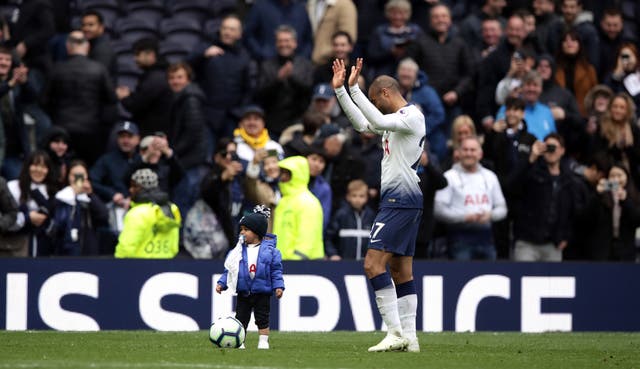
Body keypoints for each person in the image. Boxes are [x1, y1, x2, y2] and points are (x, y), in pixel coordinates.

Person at [332, 58, 424, 352]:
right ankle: (410, 339)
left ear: (385, 93)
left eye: (375, 100)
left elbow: (379, 120)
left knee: (372, 264)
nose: (375, 106)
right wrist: (342, 92)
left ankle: (394, 332)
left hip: (400, 200)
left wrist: (356, 90)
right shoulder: (395, 122)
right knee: (400, 271)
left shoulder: (412, 115)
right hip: (402, 201)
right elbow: (364, 124)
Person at [216, 206, 284, 350]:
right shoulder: (238, 250)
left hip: (262, 291)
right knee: (241, 318)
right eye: (241, 229)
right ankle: (241, 341)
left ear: (257, 232)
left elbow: (276, 271)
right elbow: (230, 270)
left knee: (262, 318)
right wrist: (222, 283)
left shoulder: (271, 251)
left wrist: (278, 286)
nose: (242, 232)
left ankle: (263, 341)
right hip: (244, 291)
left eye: (246, 230)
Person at [434, 136, 507, 260]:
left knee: (489, 277)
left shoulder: (490, 176)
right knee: (461, 277)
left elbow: (502, 208)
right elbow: (438, 210)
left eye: (473, 150)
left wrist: (490, 215)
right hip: (459, 237)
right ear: (458, 153)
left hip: (487, 238)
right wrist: (464, 217)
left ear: (480, 154)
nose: (469, 153)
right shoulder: (449, 177)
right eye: (465, 150)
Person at [114, 168, 181, 258]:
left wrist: (118, 266)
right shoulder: (172, 209)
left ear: (143, 188)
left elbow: (126, 249)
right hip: (166, 266)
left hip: (139, 268)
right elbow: (174, 247)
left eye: (134, 186)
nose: (130, 190)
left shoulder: (137, 213)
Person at [50, 160, 108, 256]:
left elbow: (104, 216)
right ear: (68, 177)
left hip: (88, 250)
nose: (78, 179)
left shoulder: (90, 197)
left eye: (81, 175)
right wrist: (71, 196)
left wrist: (91, 195)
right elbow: (56, 222)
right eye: (74, 175)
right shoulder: (61, 196)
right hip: (63, 250)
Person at [117, 37, 173, 137]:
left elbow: (137, 104)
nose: (135, 59)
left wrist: (124, 97)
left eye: (138, 55)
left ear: (151, 54)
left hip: (153, 134)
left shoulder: (155, 78)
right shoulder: (157, 74)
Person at [272, 155, 324, 260]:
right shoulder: (283, 201)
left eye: (287, 173)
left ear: (298, 174)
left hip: (305, 266)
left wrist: (296, 261)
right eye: (282, 173)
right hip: (283, 264)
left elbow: (307, 238)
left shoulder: (308, 202)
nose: (283, 177)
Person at [7, 150, 58, 257]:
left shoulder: (53, 192)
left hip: (44, 250)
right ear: (27, 166)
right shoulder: (13, 187)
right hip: (14, 248)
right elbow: (5, 217)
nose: (39, 170)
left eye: (44, 166)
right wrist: (27, 218)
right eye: (35, 165)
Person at [325, 179, 376, 261]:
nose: (357, 199)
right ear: (348, 197)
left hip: (366, 263)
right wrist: (333, 254)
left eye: (361, 196)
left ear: (367, 197)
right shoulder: (341, 215)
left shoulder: (371, 216)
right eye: (354, 196)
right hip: (343, 263)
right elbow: (329, 238)